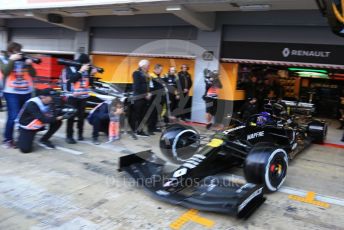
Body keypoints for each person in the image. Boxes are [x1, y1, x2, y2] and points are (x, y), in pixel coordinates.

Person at [1, 42, 36, 149]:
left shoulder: (24, 59)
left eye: (19, 50)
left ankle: (21, 138)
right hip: (11, 92)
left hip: (26, 92)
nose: (19, 52)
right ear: (10, 51)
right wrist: (12, 60)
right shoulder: (3, 59)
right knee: (13, 116)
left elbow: (33, 74)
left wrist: (30, 65)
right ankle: (8, 139)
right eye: (16, 50)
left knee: (23, 116)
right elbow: (5, 72)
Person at [17, 88, 65, 153]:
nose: (53, 98)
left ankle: (44, 140)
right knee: (25, 150)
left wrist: (67, 112)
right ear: (43, 97)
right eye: (51, 97)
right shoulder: (32, 103)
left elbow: (56, 113)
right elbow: (43, 119)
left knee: (58, 122)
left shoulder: (50, 102)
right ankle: (22, 136)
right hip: (27, 126)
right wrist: (61, 117)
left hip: (38, 123)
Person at [62, 53, 94, 144]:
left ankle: (80, 134)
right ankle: (69, 136)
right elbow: (72, 80)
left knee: (81, 117)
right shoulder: (70, 68)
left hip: (83, 96)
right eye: (86, 63)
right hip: (72, 96)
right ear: (82, 63)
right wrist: (80, 71)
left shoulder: (87, 69)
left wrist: (91, 75)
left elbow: (89, 84)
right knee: (71, 116)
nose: (87, 65)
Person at [132, 59, 151, 137]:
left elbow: (147, 86)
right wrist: (145, 94)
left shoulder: (146, 74)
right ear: (143, 66)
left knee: (143, 115)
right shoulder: (136, 73)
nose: (149, 67)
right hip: (138, 98)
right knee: (138, 115)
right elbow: (137, 87)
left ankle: (140, 130)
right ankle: (137, 131)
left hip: (144, 97)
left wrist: (148, 93)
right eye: (148, 65)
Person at [147, 64, 165, 135]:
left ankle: (154, 127)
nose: (161, 71)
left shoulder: (158, 76)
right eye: (160, 70)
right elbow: (151, 87)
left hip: (159, 98)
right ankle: (150, 129)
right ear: (156, 69)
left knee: (156, 113)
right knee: (152, 114)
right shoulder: (151, 76)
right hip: (153, 98)